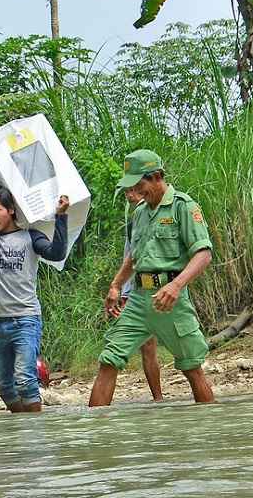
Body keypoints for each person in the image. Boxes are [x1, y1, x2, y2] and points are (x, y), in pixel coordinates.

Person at [90, 149, 214, 407]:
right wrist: (115, 285)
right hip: (137, 300)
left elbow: (203, 254)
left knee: (192, 368)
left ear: (157, 176)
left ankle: (210, 427)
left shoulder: (183, 207)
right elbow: (134, 257)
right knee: (108, 360)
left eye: (139, 184)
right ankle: (96, 435)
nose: (135, 192)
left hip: (170, 301)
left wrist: (177, 285)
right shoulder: (139, 213)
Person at [0, 151, 69, 413]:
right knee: (0, 383)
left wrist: (61, 218)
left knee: (25, 379)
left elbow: (57, 253)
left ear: (10, 210)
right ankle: (24, 429)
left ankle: (34, 438)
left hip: (26, 319)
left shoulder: (32, 238)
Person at [109, 184, 164, 402]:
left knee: (149, 346)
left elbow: (139, 258)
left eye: (131, 190)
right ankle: (158, 399)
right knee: (147, 347)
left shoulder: (152, 215)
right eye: (126, 191)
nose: (128, 195)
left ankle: (158, 398)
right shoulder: (136, 219)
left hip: (149, 288)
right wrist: (122, 289)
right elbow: (130, 258)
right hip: (134, 289)